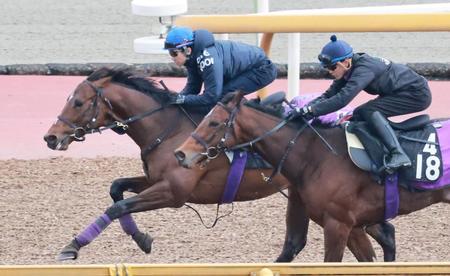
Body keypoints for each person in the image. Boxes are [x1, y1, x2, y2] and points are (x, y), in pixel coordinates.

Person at [293, 35, 432, 172]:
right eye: (326, 68)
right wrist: (304, 109)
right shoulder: (349, 67)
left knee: (368, 111)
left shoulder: (364, 69)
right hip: (399, 92)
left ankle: (398, 154)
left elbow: (342, 99)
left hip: (416, 94)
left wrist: (311, 111)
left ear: (346, 62)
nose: (330, 71)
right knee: (358, 114)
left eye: (332, 67)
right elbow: (328, 95)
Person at [163, 26, 277, 114]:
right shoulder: (193, 57)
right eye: (169, 53)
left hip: (261, 69)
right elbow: (193, 88)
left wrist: (181, 99)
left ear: (187, 50)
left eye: (173, 52)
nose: (171, 57)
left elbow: (211, 97)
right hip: (247, 67)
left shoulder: (207, 59)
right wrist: (174, 100)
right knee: (221, 96)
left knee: (221, 99)